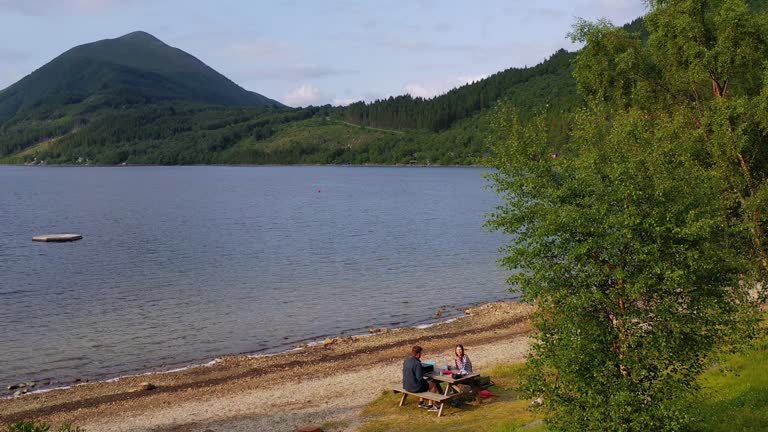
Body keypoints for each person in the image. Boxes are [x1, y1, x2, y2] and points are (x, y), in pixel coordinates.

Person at [402, 345, 441, 412]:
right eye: (421, 353)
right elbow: (419, 378)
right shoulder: (417, 363)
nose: (421, 355)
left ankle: (421, 402)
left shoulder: (406, 360)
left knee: (423, 383)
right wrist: (427, 380)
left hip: (406, 385)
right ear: (418, 354)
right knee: (433, 384)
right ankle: (430, 405)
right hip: (413, 388)